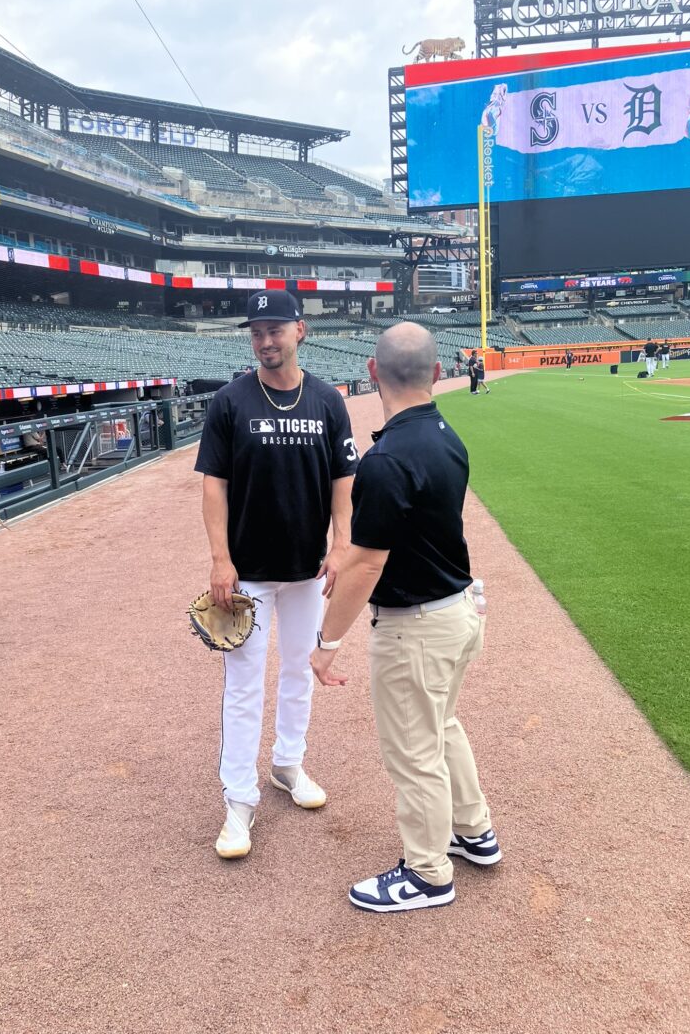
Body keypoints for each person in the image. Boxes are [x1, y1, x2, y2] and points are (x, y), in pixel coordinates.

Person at [310, 322, 501, 913]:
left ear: (372, 372)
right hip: (458, 610)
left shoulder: (388, 457)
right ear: (440, 374)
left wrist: (327, 642)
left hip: (417, 624)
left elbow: (365, 564)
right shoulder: (445, 434)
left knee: (414, 749)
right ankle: (473, 831)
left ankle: (427, 872)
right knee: (442, 727)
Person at [194, 288, 359, 859]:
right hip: (249, 570)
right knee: (243, 685)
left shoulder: (328, 400)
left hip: (309, 567)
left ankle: (288, 763)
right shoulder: (230, 401)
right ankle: (238, 800)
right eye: (257, 331)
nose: (266, 340)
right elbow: (214, 482)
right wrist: (220, 558)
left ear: (299, 330)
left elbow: (343, 477)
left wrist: (342, 544)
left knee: (299, 670)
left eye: (276, 328)